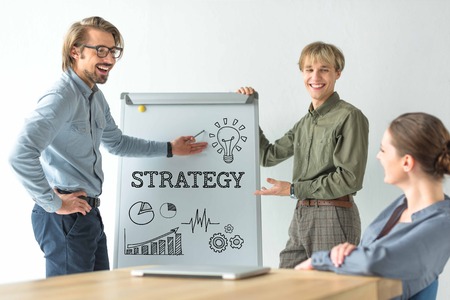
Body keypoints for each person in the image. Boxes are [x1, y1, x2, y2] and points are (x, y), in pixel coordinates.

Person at [9, 16, 207, 277]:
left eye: (113, 51)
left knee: (97, 292)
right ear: (75, 52)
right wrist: (53, 203)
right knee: (71, 297)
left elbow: (117, 143)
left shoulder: (95, 97)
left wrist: (170, 148)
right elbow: (20, 154)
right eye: (100, 50)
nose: (110, 59)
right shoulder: (61, 97)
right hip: (64, 217)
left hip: (87, 213)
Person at [237, 41, 369, 268]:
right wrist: (248, 109)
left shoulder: (349, 116)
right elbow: (267, 156)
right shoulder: (304, 124)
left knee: (329, 290)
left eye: (324, 69)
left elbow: (350, 177)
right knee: (288, 282)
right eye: (309, 69)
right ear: (302, 73)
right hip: (302, 213)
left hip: (333, 214)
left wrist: (293, 189)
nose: (315, 76)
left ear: (338, 73)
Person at [296, 112, 450, 299]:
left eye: (383, 150)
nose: (378, 156)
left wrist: (320, 260)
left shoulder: (442, 223)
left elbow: (376, 262)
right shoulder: (401, 206)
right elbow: (366, 255)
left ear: (407, 162)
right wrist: (346, 253)